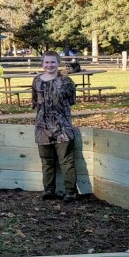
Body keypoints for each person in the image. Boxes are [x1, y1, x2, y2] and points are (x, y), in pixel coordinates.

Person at [32, 50, 79, 202]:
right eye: (46, 62)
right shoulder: (37, 81)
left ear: (58, 63)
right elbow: (35, 102)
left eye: (53, 62)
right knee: (46, 161)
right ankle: (48, 190)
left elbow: (71, 100)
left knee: (66, 160)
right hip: (42, 127)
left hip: (62, 128)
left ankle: (70, 191)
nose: (49, 65)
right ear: (42, 64)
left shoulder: (66, 81)